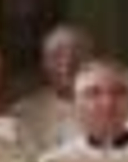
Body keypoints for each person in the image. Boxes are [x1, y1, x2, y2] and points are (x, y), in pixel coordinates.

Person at [13, 23, 93, 154]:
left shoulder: (109, 108)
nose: (66, 64)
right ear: (44, 63)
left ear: (91, 60)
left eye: (77, 54)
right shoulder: (23, 111)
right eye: (56, 56)